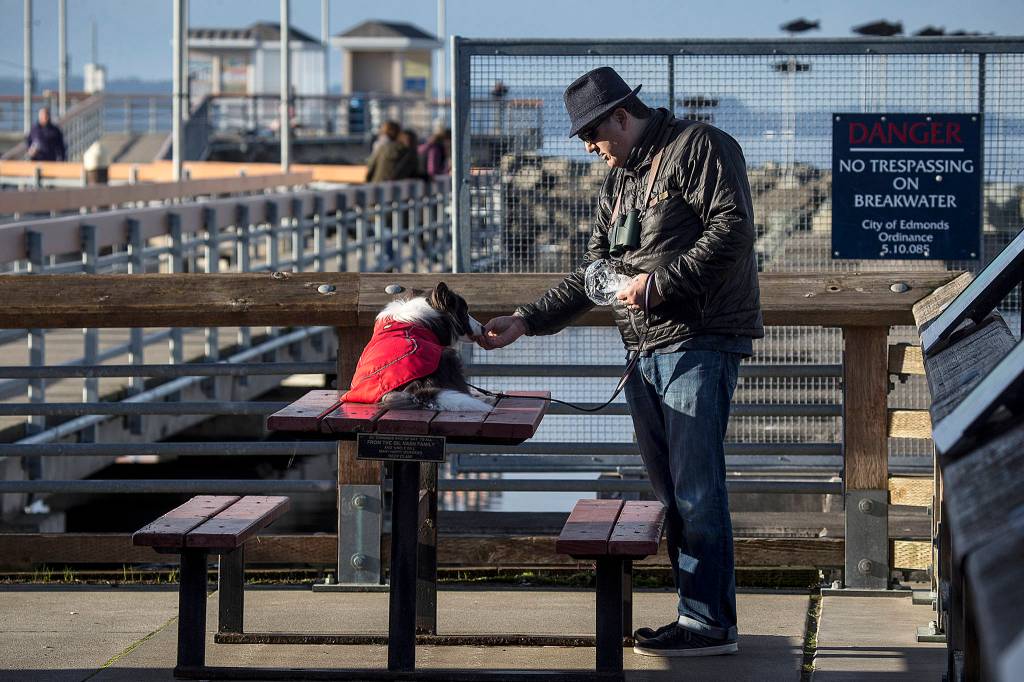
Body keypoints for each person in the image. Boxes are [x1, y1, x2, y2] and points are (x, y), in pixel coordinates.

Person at [478, 66, 763, 657]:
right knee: (674, 491)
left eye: (593, 133)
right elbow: (595, 275)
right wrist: (527, 320)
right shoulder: (621, 180)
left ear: (621, 115)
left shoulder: (701, 146)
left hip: (699, 340)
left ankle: (710, 624)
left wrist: (658, 286)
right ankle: (698, 618)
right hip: (645, 350)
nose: (589, 147)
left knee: (696, 490)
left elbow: (734, 230)